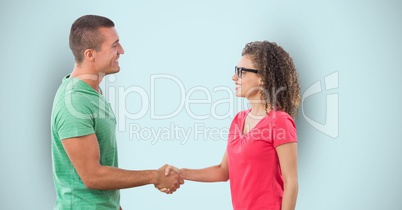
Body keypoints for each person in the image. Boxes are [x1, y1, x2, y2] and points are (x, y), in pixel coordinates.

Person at [51, 15, 184, 210]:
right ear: (90, 54)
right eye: (114, 46)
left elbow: (102, 166)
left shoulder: (92, 93)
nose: (121, 51)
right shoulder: (74, 101)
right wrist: (155, 177)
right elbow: (92, 176)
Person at [165, 41, 301, 210]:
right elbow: (223, 171)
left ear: (263, 77)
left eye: (241, 72)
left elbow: (291, 182)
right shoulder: (238, 120)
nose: (234, 77)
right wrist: (181, 172)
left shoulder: (280, 122)